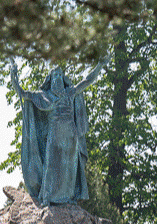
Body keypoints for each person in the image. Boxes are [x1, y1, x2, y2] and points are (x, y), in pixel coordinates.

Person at [10, 58, 107, 206]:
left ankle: (69, 197)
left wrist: (99, 65)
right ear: (50, 80)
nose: (57, 79)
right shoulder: (44, 96)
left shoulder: (70, 92)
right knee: (51, 164)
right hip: (54, 133)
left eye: (60, 76)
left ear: (63, 79)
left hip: (70, 134)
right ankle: (47, 197)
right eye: (55, 76)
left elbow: (87, 80)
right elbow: (23, 94)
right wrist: (13, 75)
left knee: (69, 168)